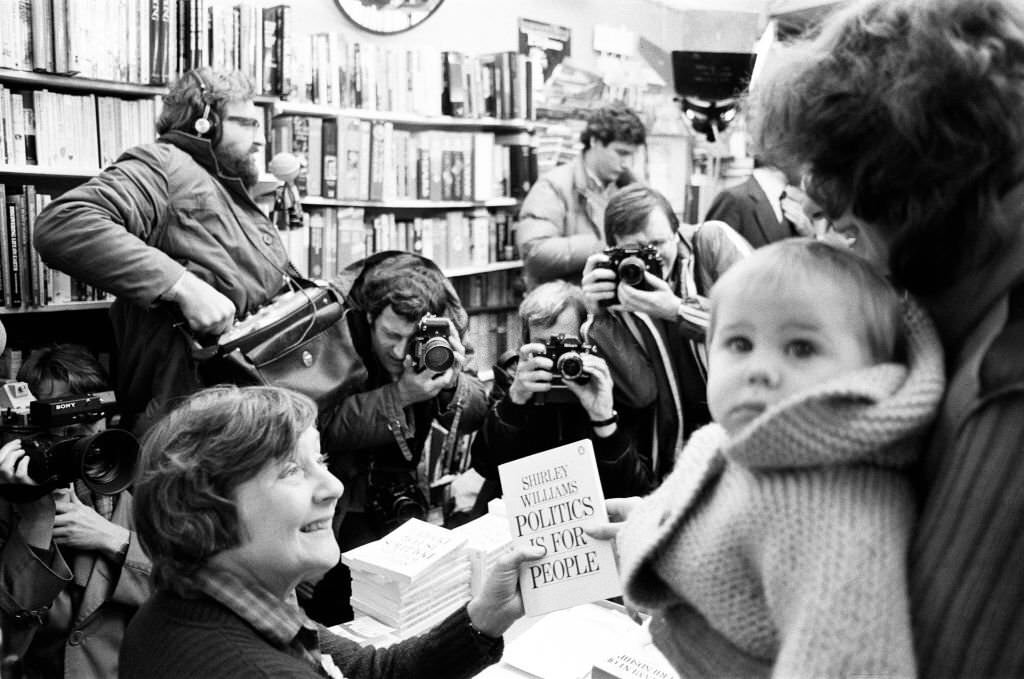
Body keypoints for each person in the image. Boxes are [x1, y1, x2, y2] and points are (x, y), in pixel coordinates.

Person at [744, 1, 1024, 675]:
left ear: (903, 200)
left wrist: (684, 612)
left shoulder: (1005, 377)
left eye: (841, 221)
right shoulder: (978, 300)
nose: (834, 244)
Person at [613, 239, 945, 677]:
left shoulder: (838, 506)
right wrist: (646, 518)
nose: (759, 369)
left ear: (872, 369)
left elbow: (849, 664)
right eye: (739, 343)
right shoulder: (731, 438)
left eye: (801, 348)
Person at [118, 384, 542, 679]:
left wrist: (484, 619)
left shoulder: (196, 606)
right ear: (204, 509)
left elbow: (372, 673)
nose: (334, 487)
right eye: (291, 471)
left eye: (320, 461)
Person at [33, 67, 284, 435]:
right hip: (191, 418)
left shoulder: (220, 183)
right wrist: (182, 285)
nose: (259, 141)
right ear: (205, 122)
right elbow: (65, 222)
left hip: (239, 409)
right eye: (246, 124)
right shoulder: (164, 164)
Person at [309, 251, 489, 625]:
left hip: (403, 498)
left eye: (411, 339)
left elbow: (476, 410)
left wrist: (451, 383)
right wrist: (401, 395)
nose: (399, 350)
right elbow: (319, 427)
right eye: (390, 334)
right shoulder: (334, 328)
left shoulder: (443, 328)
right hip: (341, 505)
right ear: (370, 315)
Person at [0, 344, 151, 679]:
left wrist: (116, 539)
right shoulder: (9, 503)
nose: (77, 433)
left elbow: (192, 593)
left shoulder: (147, 489)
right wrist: (36, 521)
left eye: (89, 416)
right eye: (61, 419)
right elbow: (7, 640)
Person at [582, 183, 750, 480]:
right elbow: (639, 393)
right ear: (612, 249)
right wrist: (598, 315)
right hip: (676, 456)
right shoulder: (617, 286)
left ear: (677, 231)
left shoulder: (710, 243)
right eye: (635, 250)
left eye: (659, 243)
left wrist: (677, 310)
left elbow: (764, 327)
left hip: (741, 430)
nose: (652, 258)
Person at [470, 280, 655, 506]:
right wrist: (514, 402)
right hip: (525, 508)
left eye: (566, 346)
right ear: (525, 343)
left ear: (588, 343)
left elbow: (636, 494)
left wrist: (603, 418)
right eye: (544, 347)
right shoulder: (515, 375)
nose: (557, 359)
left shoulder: (609, 382)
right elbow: (485, 466)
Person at [516, 104, 646, 288]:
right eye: (621, 153)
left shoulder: (632, 189)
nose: (626, 163)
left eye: (631, 155)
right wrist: (603, 247)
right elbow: (535, 253)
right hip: (566, 306)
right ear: (594, 141)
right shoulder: (553, 187)